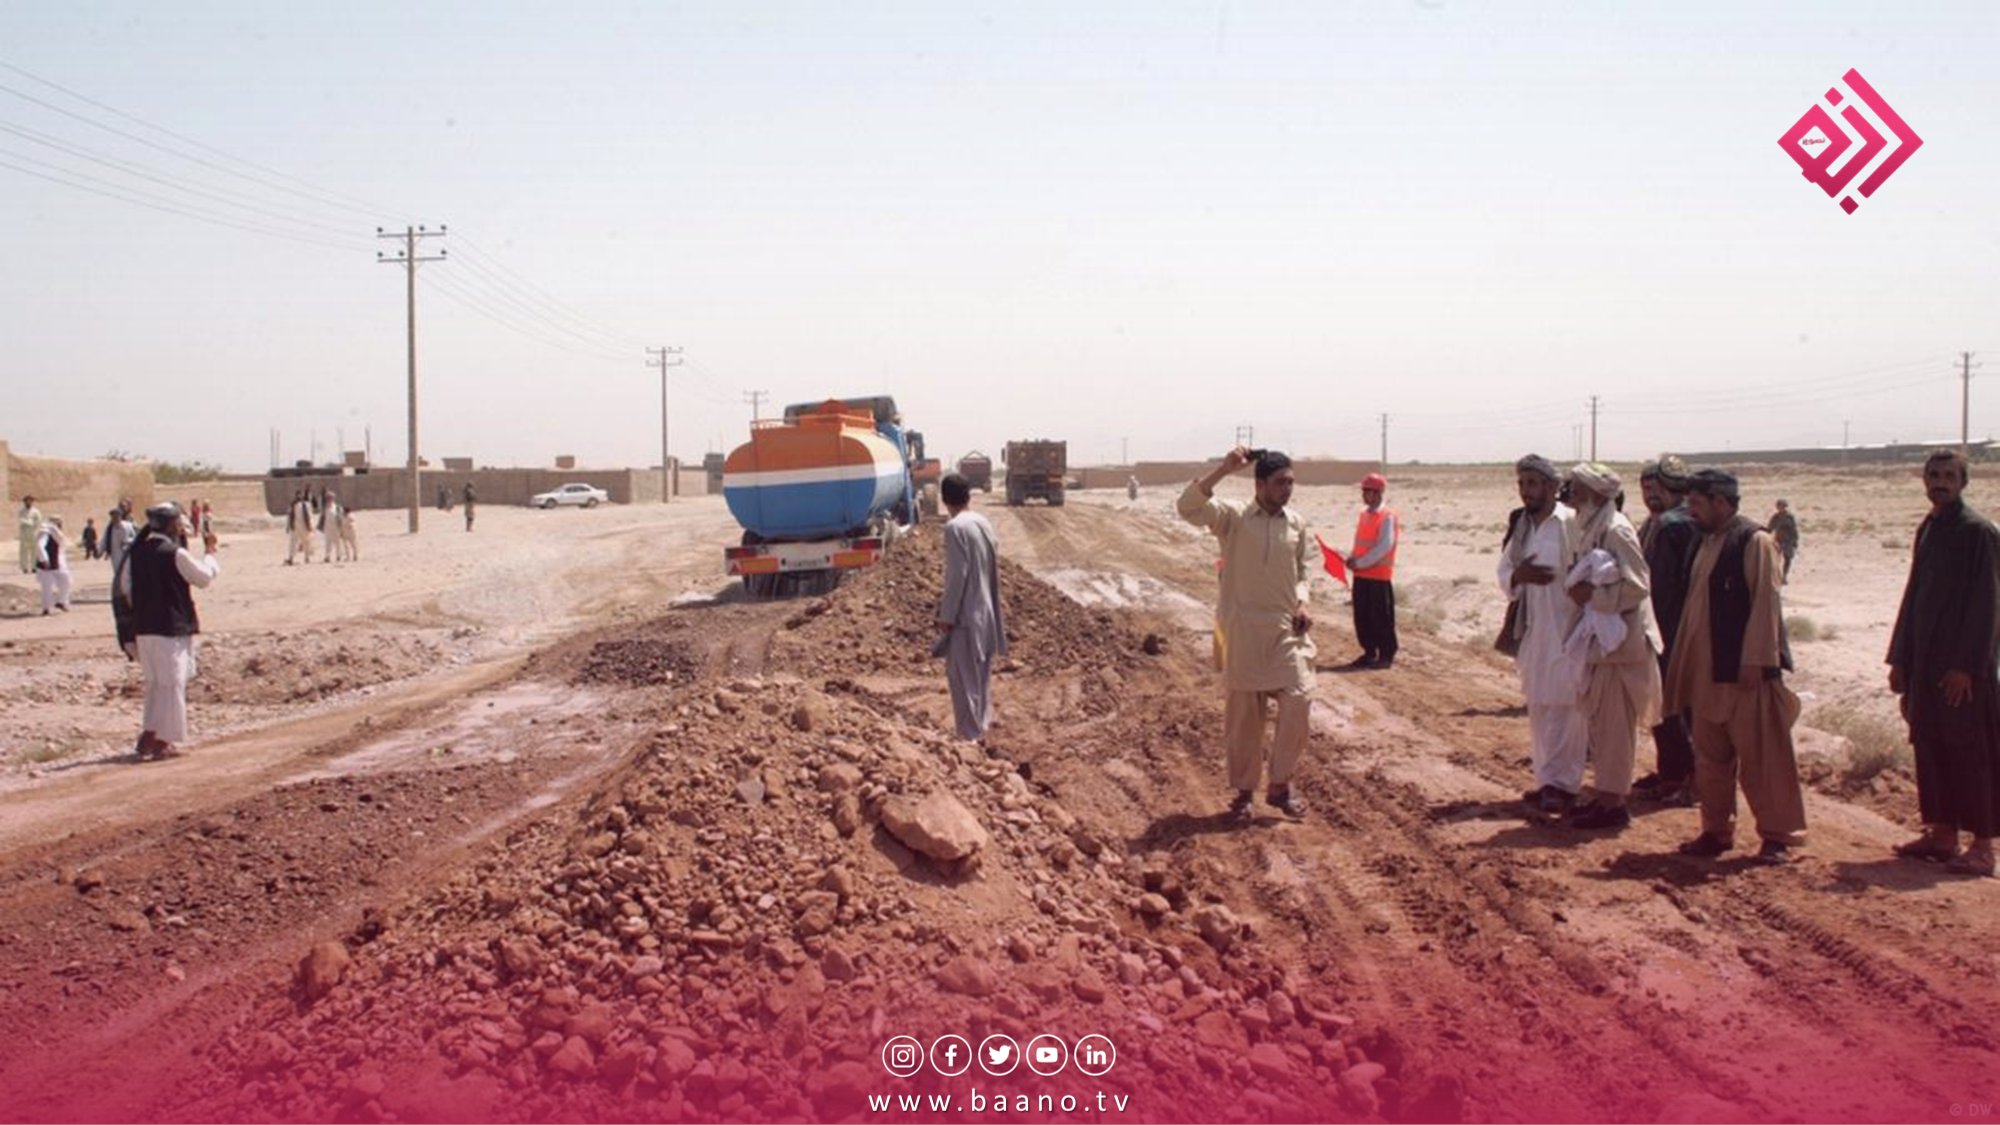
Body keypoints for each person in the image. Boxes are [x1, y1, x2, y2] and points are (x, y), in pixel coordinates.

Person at [1663, 468, 1807, 864]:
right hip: (1706, 675)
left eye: (1696, 503)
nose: (1690, 511)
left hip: (1745, 675)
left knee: (1764, 760)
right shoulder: (1705, 541)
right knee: (1710, 761)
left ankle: (1777, 836)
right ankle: (1715, 831)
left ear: (1721, 502)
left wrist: (1756, 660)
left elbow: (1766, 604)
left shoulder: (1754, 541)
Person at [1178, 447, 1316, 819]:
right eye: (1280, 482)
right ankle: (1243, 795)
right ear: (1260, 484)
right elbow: (1188, 507)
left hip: (1285, 631)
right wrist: (1223, 468)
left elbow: (1301, 571)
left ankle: (1280, 785)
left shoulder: (1296, 523)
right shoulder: (1233, 517)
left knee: (1299, 699)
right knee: (1244, 720)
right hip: (1242, 631)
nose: (1287, 489)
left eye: (1290, 482)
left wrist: (1302, 602)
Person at [1886, 449, 2000, 877]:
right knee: (1930, 746)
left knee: (1973, 753)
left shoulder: (1979, 532)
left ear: (1963, 481)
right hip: (1925, 665)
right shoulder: (1930, 528)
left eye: (1948, 475)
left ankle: (1984, 847)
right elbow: (1913, 595)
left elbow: (1989, 605)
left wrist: (1966, 666)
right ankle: (1942, 834)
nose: (1939, 481)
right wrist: (1900, 658)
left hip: (1964, 671)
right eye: (1933, 474)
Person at [1561, 463, 1662, 830]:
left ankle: (1614, 805)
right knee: (1602, 724)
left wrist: (1592, 595)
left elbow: (1637, 586)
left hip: (1622, 646)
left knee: (1617, 726)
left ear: (1595, 494)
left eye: (1576, 489)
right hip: (1604, 644)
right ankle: (1605, 797)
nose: (1570, 496)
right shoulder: (1593, 526)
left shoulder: (1617, 530)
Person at [1498, 454, 1587, 816]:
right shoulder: (1522, 525)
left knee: (1568, 709)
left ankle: (1565, 786)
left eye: (1533, 483)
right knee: (1539, 707)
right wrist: (1520, 576)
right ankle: (1546, 780)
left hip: (1569, 628)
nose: (1526, 491)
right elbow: (1504, 570)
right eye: (1521, 483)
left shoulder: (1570, 522)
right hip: (1535, 629)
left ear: (1552, 487)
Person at [1632, 455, 1701, 807]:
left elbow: (1665, 586)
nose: (1651, 495)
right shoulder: (1658, 522)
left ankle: (1686, 777)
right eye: (1645, 488)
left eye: (1657, 488)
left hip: (1672, 629)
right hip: (1662, 627)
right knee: (1661, 705)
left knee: (1675, 705)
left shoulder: (1676, 525)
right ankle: (1670, 771)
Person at [127, 502, 220, 761]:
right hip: (170, 628)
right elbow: (204, 578)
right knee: (172, 683)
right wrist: (211, 552)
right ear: (171, 525)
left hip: (144, 628)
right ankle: (163, 740)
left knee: (157, 683)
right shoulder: (174, 553)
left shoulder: (137, 552)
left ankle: (151, 732)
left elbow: (125, 588)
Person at [935, 473, 1007, 743]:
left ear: (944, 500)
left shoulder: (955, 528)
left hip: (966, 618)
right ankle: (981, 732)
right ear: (968, 496)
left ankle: (969, 741)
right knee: (981, 680)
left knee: (963, 681)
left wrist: (947, 616)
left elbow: (957, 576)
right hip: (987, 615)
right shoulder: (982, 523)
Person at [1343, 471, 1399, 669]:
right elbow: (1360, 542)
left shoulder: (1387, 516)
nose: (1364, 495)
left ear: (1378, 493)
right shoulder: (1364, 515)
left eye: (1368, 491)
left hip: (1378, 577)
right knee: (1363, 617)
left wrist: (1360, 563)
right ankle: (1369, 652)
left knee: (1381, 618)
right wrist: (1352, 558)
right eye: (1364, 491)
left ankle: (1386, 655)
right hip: (1361, 575)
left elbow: (1385, 546)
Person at [34, 516, 73, 615]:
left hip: (58, 563)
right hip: (46, 565)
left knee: (66, 581)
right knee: (47, 587)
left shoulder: (56, 533)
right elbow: (40, 545)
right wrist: (44, 559)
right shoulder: (46, 532)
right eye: (58, 523)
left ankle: (61, 602)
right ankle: (46, 608)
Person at [1767, 498, 1800, 582]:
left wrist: (1795, 541)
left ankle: (1784, 576)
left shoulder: (1790, 517)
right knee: (1775, 559)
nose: (1782, 508)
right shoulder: (1775, 517)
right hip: (1778, 540)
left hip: (1788, 541)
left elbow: (1794, 529)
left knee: (1787, 559)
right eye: (1780, 506)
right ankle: (1776, 575)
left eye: (1783, 506)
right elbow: (1770, 528)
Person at [285, 488, 315, 565]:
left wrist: (311, 526)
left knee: (306, 542)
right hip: (295, 527)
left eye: (300, 495)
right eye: (297, 495)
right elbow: (289, 515)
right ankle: (291, 558)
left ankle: (307, 557)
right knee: (293, 543)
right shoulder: (292, 505)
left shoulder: (306, 505)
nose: (299, 496)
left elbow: (310, 516)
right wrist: (288, 526)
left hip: (304, 526)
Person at [18, 495, 43, 575]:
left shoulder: (36, 511)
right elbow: (21, 520)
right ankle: (24, 568)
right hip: (24, 533)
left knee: (34, 551)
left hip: (34, 532)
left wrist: (30, 523)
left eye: (30, 501)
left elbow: (38, 521)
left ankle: (34, 567)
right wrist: (28, 522)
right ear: (24, 502)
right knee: (23, 551)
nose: (28, 502)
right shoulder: (21, 511)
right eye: (27, 501)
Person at [320, 490, 344, 563]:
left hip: (336, 527)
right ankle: (327, 556)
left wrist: (341, 528)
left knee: (337, 542)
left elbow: (340, 518)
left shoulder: (337, 507)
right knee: (328, 543)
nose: (329, 499)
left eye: (330, 498)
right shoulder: (324, 508)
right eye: (327, 498)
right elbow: (322, 517)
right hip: (327, 528)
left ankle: (338, 556)